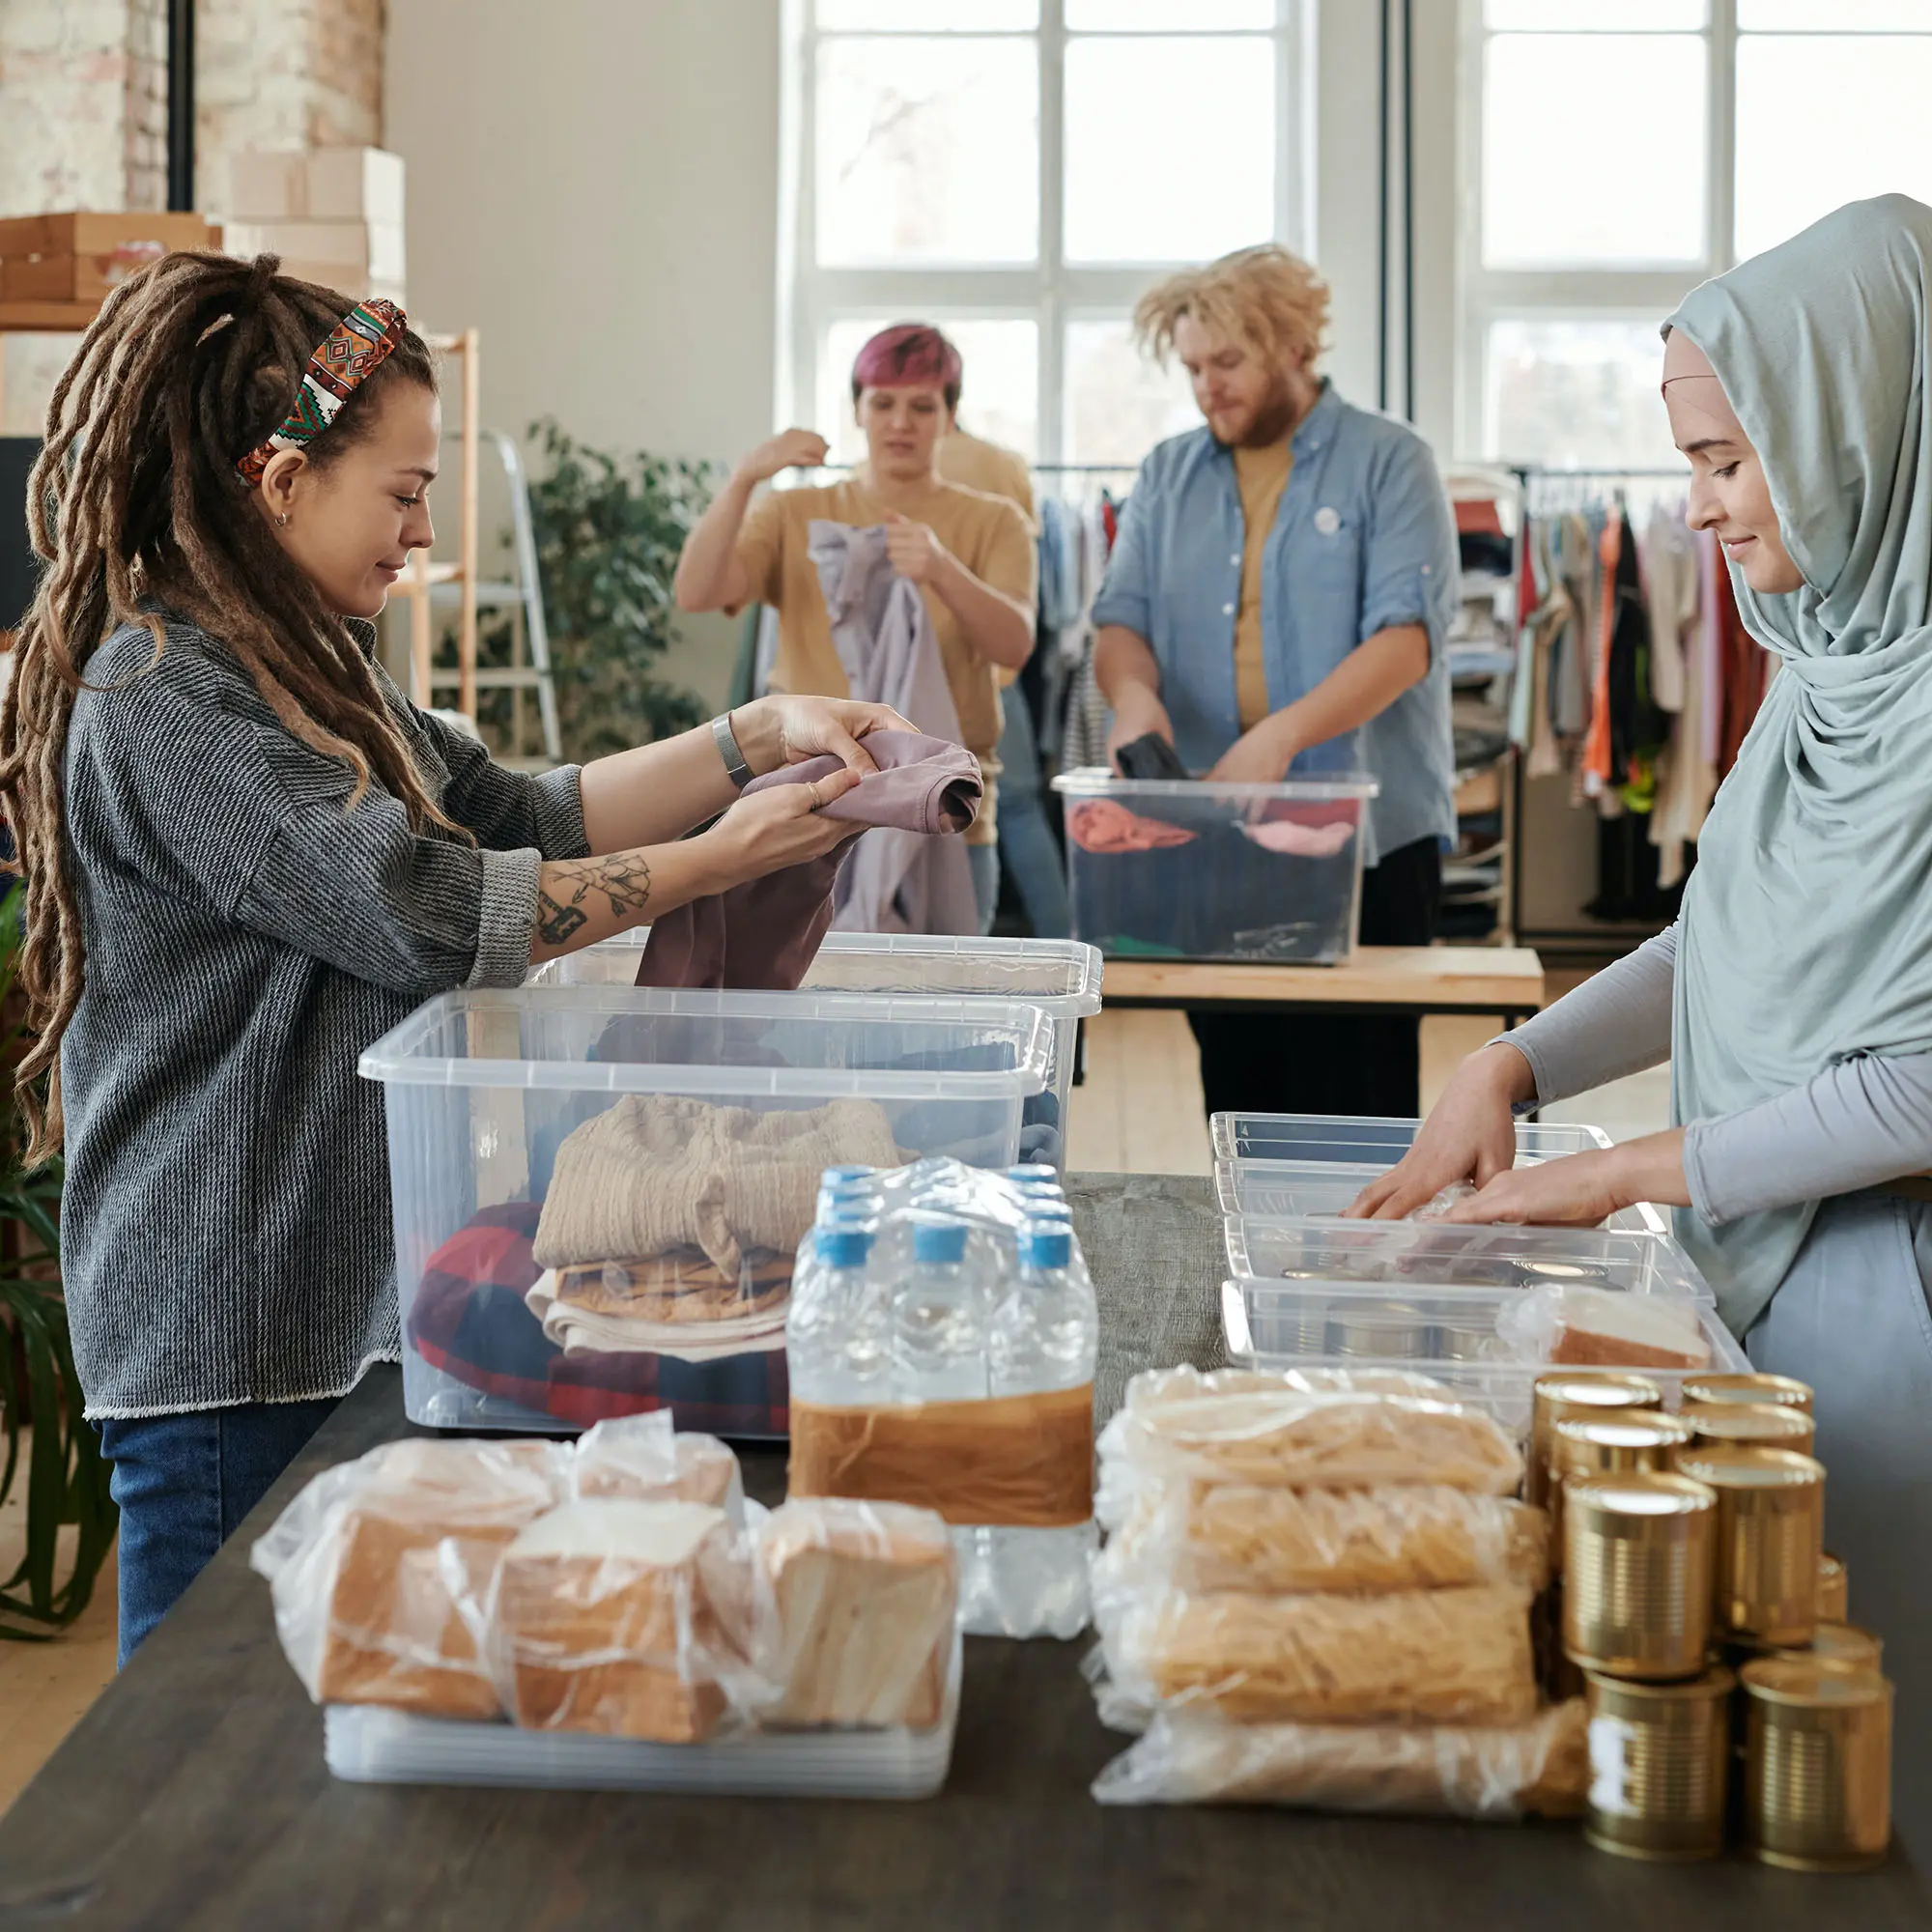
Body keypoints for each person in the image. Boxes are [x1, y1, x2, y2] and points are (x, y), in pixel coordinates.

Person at [0, 254, 913, 1662]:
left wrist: (759, 734)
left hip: (330, 1297)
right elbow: (428, 910)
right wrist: (721, 858)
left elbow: (513, 812)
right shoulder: (163, 695)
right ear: (283, 478)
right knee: (193, 1767)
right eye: (406, 491)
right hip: (228, 1327)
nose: (423, 533)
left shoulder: (308, 660)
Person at [1354, 195, 1932, 1854]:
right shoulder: (1830, 662)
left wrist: (1628, 1174)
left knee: (1867, 1759)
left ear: (1856, 427)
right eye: (1690, 463)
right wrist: (1515, 1060)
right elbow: (1719, 944)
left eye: (1730, 463)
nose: (1696, 514)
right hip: (1768, 1252)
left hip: (1893, 1297)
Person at [1090, 244, 1457, 1119]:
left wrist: (1280, 739)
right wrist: (1135, 700)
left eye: (1228, 363)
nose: (1207, 386)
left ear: (1295, 348)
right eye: (1192, 368)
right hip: (1217, 829)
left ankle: (1359, 1259)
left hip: (1368, 841)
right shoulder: (1166, 475)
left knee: (1357, 1094)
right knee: (1240, 1088)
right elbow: (1121, 623)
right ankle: (1248, 1257)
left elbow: (1405, 642)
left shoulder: (1390, 462)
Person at [675, 324, 1037, 935]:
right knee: (797, 1014)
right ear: (858, 410)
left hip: (947, 813)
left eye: (922, 406)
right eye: (883, 403)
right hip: (804, 808)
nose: (901, 422)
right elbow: (697, 592)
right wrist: (743, 481)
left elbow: (1015, 646)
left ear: (949, 417)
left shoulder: (995, 522)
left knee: (942, 1018)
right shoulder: (795, 512)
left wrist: (943, 570)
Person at [937, 421, 1072, 940]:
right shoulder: (1004, 465)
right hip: (994, 673)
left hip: (917, 679)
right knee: (1015, 809)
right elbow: (1028, 554)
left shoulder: (877, 474)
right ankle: (1069, 952)